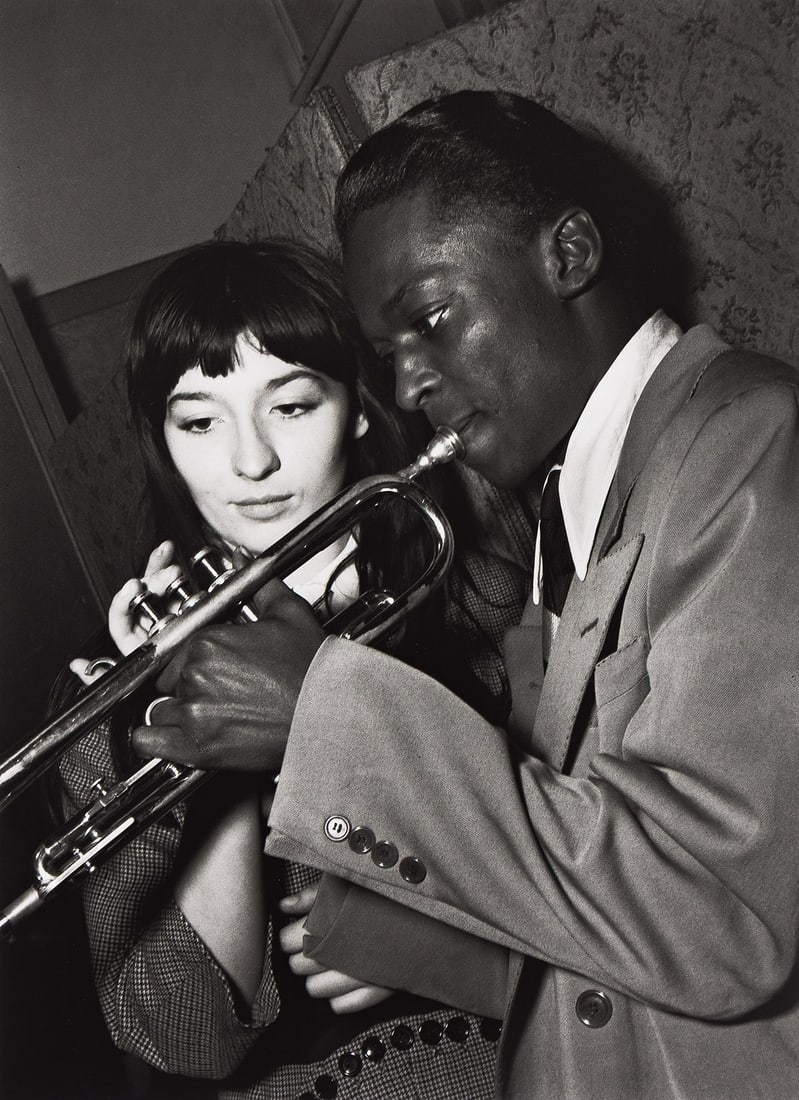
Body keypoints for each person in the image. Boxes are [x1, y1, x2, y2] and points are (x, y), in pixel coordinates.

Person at [134, 92, 799, 1100]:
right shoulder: (570, 503)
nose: (406, 385)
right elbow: (599, 905)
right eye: (197, 420)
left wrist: (318, 707)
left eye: (432, 320)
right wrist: (422, 935)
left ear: (567, 253)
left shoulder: (742, 439)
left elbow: (718, 913)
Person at [57, 237, 528, 1100]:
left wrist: (454, 938)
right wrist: (204, 747)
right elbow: (183, 1037)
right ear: (163, 441)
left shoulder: (483, 602)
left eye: (292, 405)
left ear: (355, 407)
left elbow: (622, 883)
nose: (250, 463)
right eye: (199, 420)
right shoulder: (110, 703)